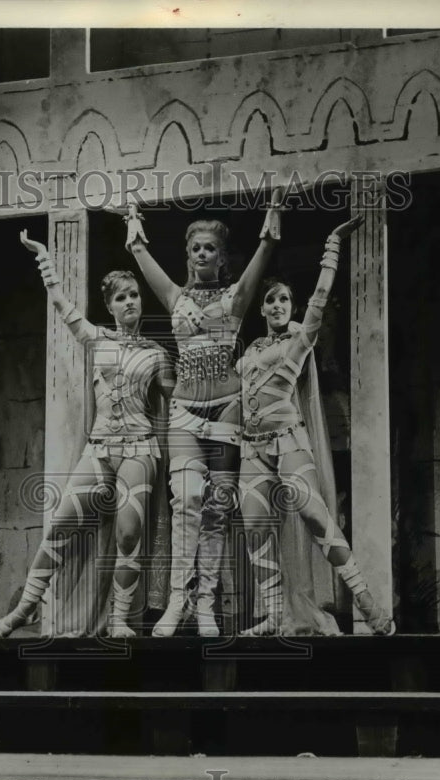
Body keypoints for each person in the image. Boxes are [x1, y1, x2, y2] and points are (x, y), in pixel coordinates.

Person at [0, 232, 174, 638]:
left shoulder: (157, 354)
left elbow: (176, 406)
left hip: (140, 449)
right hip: (100, 447)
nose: (129, 302)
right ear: (109, 306)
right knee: (60, 525)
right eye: (121, 297)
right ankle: (24, 609)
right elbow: (60, 303)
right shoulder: (96, 340)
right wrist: (44, 258)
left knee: (129, 532)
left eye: (134, 295)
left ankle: (121, 618)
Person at [125, 199, 282, 636]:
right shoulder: (175, 296)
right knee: (187, 500)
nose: (201, 254)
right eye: (195, 247)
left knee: (217, 507)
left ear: (221, 256)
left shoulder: (236, 297)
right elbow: (139, 254)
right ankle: (178, 600)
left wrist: (272, 215)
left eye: (210, 248)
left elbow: (265, 249)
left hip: (228, 410)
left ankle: (208, 605)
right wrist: (133, 221)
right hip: (186, 413)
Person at [237, 218, 393, 636]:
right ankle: (272, 616)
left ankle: (366, 601)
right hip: (251, 449)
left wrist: (332, 244)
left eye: (284, 299)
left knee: (315, 516)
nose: (277, 306)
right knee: (254, 528)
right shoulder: (251, 349)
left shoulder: (298, 340)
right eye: (270, 300)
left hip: (288, 441)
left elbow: (321, 296)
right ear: (262, 307)